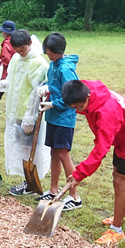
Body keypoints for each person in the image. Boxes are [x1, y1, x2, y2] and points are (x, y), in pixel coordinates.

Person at [62, 79, 125, 245]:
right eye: (72, 108)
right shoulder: (84, 89)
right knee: (119, 176)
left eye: (78, 107)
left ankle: (117, 231)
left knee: (120, 181)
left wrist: (79, 174)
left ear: (88, 97)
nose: (76, 111)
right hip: (122, 136)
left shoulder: (106, 114)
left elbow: (101, 150)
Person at [0, 30, 50, 196]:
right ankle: (28, 180)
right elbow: (13, 81)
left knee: (31, 147)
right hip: (16, 111)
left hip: (29, 113)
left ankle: (32, 182)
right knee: (22, 147)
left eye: (23, 49)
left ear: (30, 44)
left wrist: (30, 116)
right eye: (17, 49)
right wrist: (1, 84)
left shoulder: (38, 63)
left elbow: (36, 91)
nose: (21, 52)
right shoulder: (16, 58)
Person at [32, 33, 80, 207]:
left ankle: (74, 196)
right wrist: (46, 88)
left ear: (59, 51)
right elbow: (54, 85)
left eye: (50, 53)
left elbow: (72, 95)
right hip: (53, 116)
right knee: (54, 152)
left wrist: (53, 103)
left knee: (63, 153)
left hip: (64, 118)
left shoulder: (65, 69)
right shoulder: (53, 64)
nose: (48, 56)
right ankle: (53, 190)